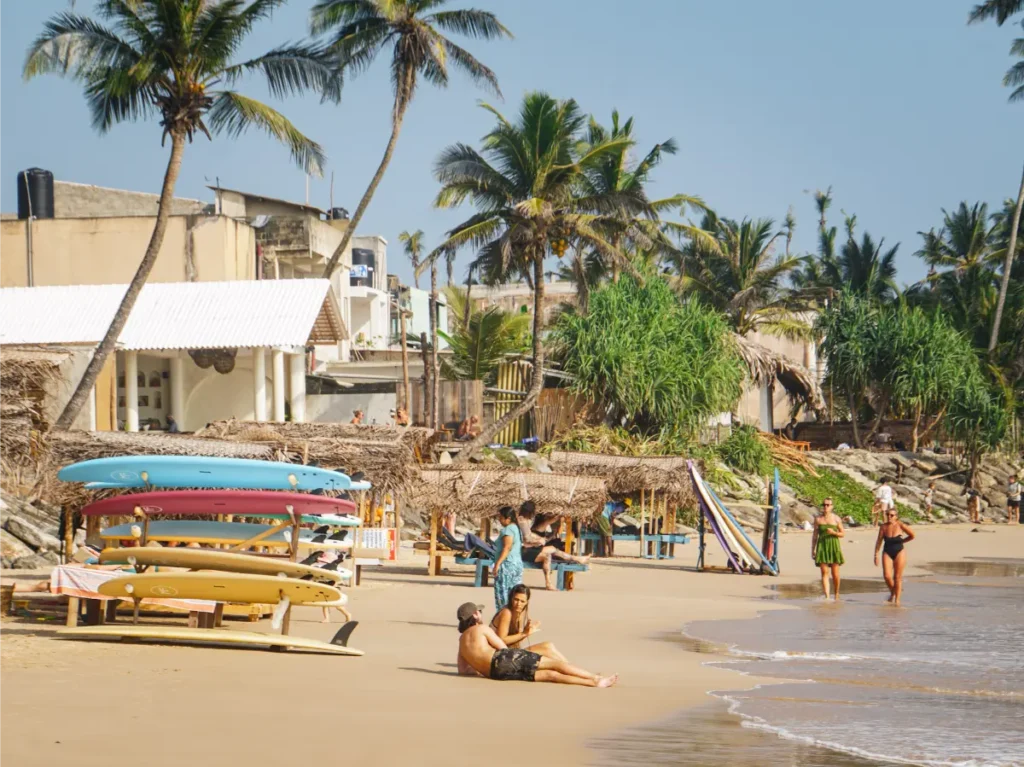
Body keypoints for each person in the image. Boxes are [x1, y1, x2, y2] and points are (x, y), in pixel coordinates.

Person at [456, 602, 616, 687]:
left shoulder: (461, 641)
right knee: (555, 664)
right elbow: (502, 647)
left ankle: (594, 683)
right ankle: (595, 678)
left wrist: (481, 666)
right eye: (479, 612)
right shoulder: (482, 629)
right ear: (476, 615)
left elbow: (463, 670)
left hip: (494, 673)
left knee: (549, 675)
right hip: (502, 659)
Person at [518, 502, 588, 590]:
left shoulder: (524, 520)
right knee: (547, 556)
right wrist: (539, 540)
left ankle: (577, 558)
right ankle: (548, 583)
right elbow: (527, 539)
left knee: (553, 549)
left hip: (527, 548)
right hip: (524, 551)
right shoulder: (522, 521)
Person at [490, 584, 567, 662]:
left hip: (509, 652)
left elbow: (516, 639)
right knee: (547, 651)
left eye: (522, 601)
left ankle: (569, 666)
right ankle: (570, 668)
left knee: (548, 645)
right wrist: (525, 634)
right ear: (511, 599)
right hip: (497, 656)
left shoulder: (519, 612)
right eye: (516, 599)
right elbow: (501, 640)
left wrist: (527, 632)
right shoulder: (507, 613)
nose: (518, 604)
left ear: (527, 602)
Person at [874, 509, 915, 605]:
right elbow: (879, 541)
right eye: (887, 514)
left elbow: (912, 535)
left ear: (896, 516)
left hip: (899, 551)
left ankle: (897, 600)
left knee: (897, 577)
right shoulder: (883, 527)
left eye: (892, 515)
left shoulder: (900, 525)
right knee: (887, 576)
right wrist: (876, 554)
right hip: (887, 551)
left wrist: (903, 541)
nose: (889, 517)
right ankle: (893, 592)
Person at [811, 498, 845, 600]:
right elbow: (815, 535)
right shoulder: (818, 519)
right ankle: (827, 596)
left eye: (828, 505)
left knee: (835, 573)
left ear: (832, 507)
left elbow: (842, 533)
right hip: (822, 546)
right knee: (824, 572)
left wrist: (834, 533)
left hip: (833, 545)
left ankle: (837, 593)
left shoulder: (836, 519)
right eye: (824, 505)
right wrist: (813, 549)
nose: (825, 507)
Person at [492, 506, 524, 611]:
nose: (500, 521)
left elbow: (507, 547)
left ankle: (502, 618)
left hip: (507, 565)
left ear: (508, 518)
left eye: (501, 518)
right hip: (517, 564)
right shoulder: (517, 529)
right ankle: (513, 618)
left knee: (502, 594)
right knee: (514, 594)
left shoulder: (508, 529)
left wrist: (497, 564)